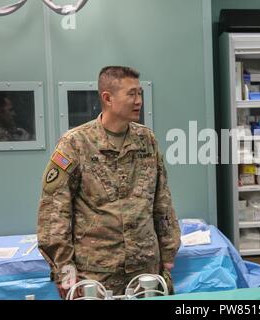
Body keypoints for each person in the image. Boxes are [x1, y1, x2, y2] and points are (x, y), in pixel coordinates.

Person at [37, 66, 181, 298]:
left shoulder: (147, 140)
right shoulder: (75, 144)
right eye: (131, 94)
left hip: (145, 270)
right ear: (108, 98)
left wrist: (168, 254)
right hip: (95, 275)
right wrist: (65, 272)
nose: (139, 101)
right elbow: (54, 214)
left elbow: (162, 201)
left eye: (140, 93)